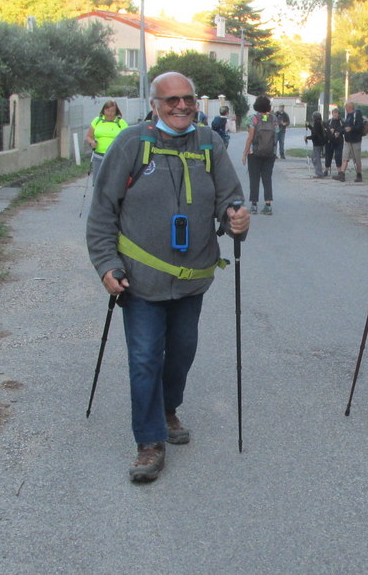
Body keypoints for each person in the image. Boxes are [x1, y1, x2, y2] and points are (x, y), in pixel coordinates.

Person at [86, 72, 249, 483]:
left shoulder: (209, 144)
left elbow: (229, 197)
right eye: (171, 100)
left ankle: (167, 408)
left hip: (193, 277)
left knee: (181, 353)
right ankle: (148, 441)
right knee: (144, 357)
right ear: (155, 105)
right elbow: (103, 211)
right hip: (139, 279)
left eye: (188, 99)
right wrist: (107, 264)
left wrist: (236, 219)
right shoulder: (132, 143)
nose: (181, 106)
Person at [242, 96, 277, 215]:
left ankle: (254, 205)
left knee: (254, 178)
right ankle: (268, 205)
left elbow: (250, 137)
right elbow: (275, 135)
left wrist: (245, 152)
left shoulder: (253, 119)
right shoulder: (273, 118)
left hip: (255, 153)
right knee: (267, 178)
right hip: (269, 153)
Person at [85, 100, 128, 185]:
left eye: (112, 111)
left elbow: (127, 139)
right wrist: (92, 142)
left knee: (113, 181)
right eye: (107, 111)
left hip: (115, 156)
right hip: (98, 156)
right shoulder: (97, 121)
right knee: (98, 181)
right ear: (103, 110)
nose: (110, 114)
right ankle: (98, 197)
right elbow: (89, 136)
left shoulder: (121, 123)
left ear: (116, 112)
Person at [334, 102, 364, 183]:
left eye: (346, 107)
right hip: (347, 140)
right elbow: (345, 127)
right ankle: (342, 174)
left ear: (349, 107)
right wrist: (339, 132)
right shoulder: (348, 116)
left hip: (355, 140)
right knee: (345, 157)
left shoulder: (357, 114)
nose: (345, 109)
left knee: (357, 159)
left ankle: (359, 175)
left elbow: (360, 127)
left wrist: (351, 129)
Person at [305, 111, 327, 178]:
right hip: (318, 143)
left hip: (317, 143)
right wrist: (309, 126)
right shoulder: (319, 123)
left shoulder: (317, 124)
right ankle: (318, 172)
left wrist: (307, 137)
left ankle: (319, 173)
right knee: (314, 158)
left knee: (316, 158)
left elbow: (314, 135)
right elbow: (314, 131)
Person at [324, 107, 344, 178]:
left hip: (338, 142)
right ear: (332, 114)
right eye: (334, 113)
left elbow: (343, 130)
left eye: (336, 113)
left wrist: (338, 132)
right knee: (328, 156)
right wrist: (329, 131)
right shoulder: (329, 121)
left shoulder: (341, 122)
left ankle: (339, 171)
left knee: (338, 156)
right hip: (329, 141)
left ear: (338, 114)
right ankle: (326, 170)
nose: (335, 114)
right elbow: (325, 130)